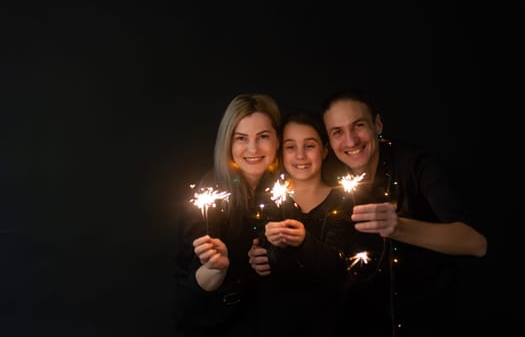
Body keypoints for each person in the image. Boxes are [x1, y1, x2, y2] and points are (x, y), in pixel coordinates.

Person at [321, 88, 488, 337]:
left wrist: (399, 227)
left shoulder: (415, 165)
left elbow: (476, 243)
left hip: (429, 323)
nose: (351, 141)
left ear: (377, 124)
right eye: (337, 132)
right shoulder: (329, 177)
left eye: (358, 125)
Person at [248, 110, 382, 336]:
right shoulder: (269, 201)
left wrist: (304, 241)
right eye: (291, 147)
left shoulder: (346, 201)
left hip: (334, 322)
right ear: (281, 152)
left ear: (325, 149)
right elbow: (271, 269)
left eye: (309, 145)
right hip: (278, 323)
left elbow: (340, 268)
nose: (300, 155)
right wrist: (269, 248)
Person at [173, 93, 282, 337]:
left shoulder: (286, 188)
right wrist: (216, 269)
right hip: (217, 324)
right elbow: (192, 286)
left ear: (277, 139)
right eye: (241, 138)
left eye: (263, 136)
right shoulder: (210, 194)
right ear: (227, 144)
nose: (253, 149)